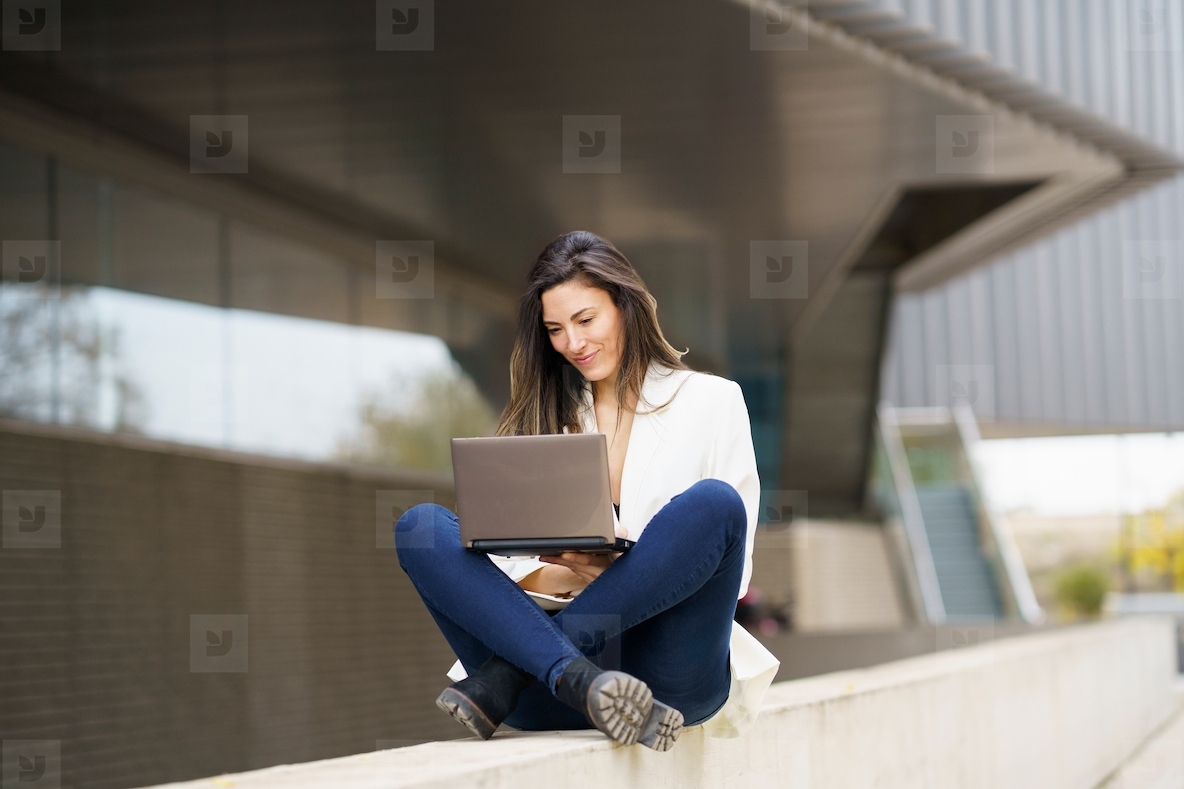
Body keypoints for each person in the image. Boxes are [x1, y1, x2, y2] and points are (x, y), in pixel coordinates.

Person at [395, 230, 778, 752]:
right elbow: (500, 578)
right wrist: (565, 568)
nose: (572, 344)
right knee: (420, 527)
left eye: (585, 320)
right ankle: (574, 676)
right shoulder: (539, 420)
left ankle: (509, 675)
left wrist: (611, 570)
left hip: (666, 677)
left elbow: (734, 573)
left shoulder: (712, 402)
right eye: (555, 329)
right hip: (549, 686)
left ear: (625, 306)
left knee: (715, 504)